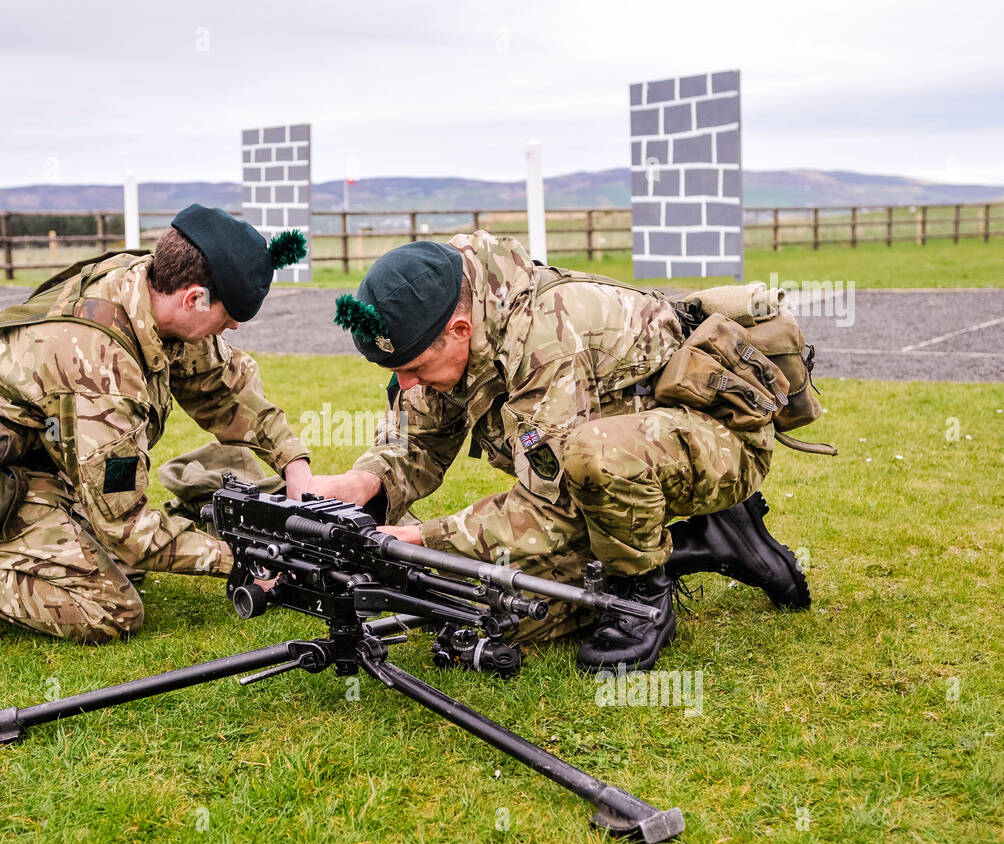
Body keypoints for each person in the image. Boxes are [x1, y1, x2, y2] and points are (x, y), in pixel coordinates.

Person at [310, 230, 808, 671]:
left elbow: (553, 502)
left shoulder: (545, 334)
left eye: (415, 367)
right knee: (492, 611)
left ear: (459, 332)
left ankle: (641, 594)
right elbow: (417, 441)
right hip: (620, 467)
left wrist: (427, 539)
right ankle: (709, 542)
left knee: (595, 456)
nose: (407, 383)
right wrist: (365, 484)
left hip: (721, 442)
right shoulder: (450, 314)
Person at [0, 205, 312, 647]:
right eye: (227, 318)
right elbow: (127, 530)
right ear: (194, 297)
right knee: (109, 607)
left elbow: (221, 386)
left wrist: (294, 464)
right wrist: (242, 562)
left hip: (15, 454)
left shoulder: (143, 286)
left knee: (114, 560)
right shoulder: (100, 368)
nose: (229, 330)